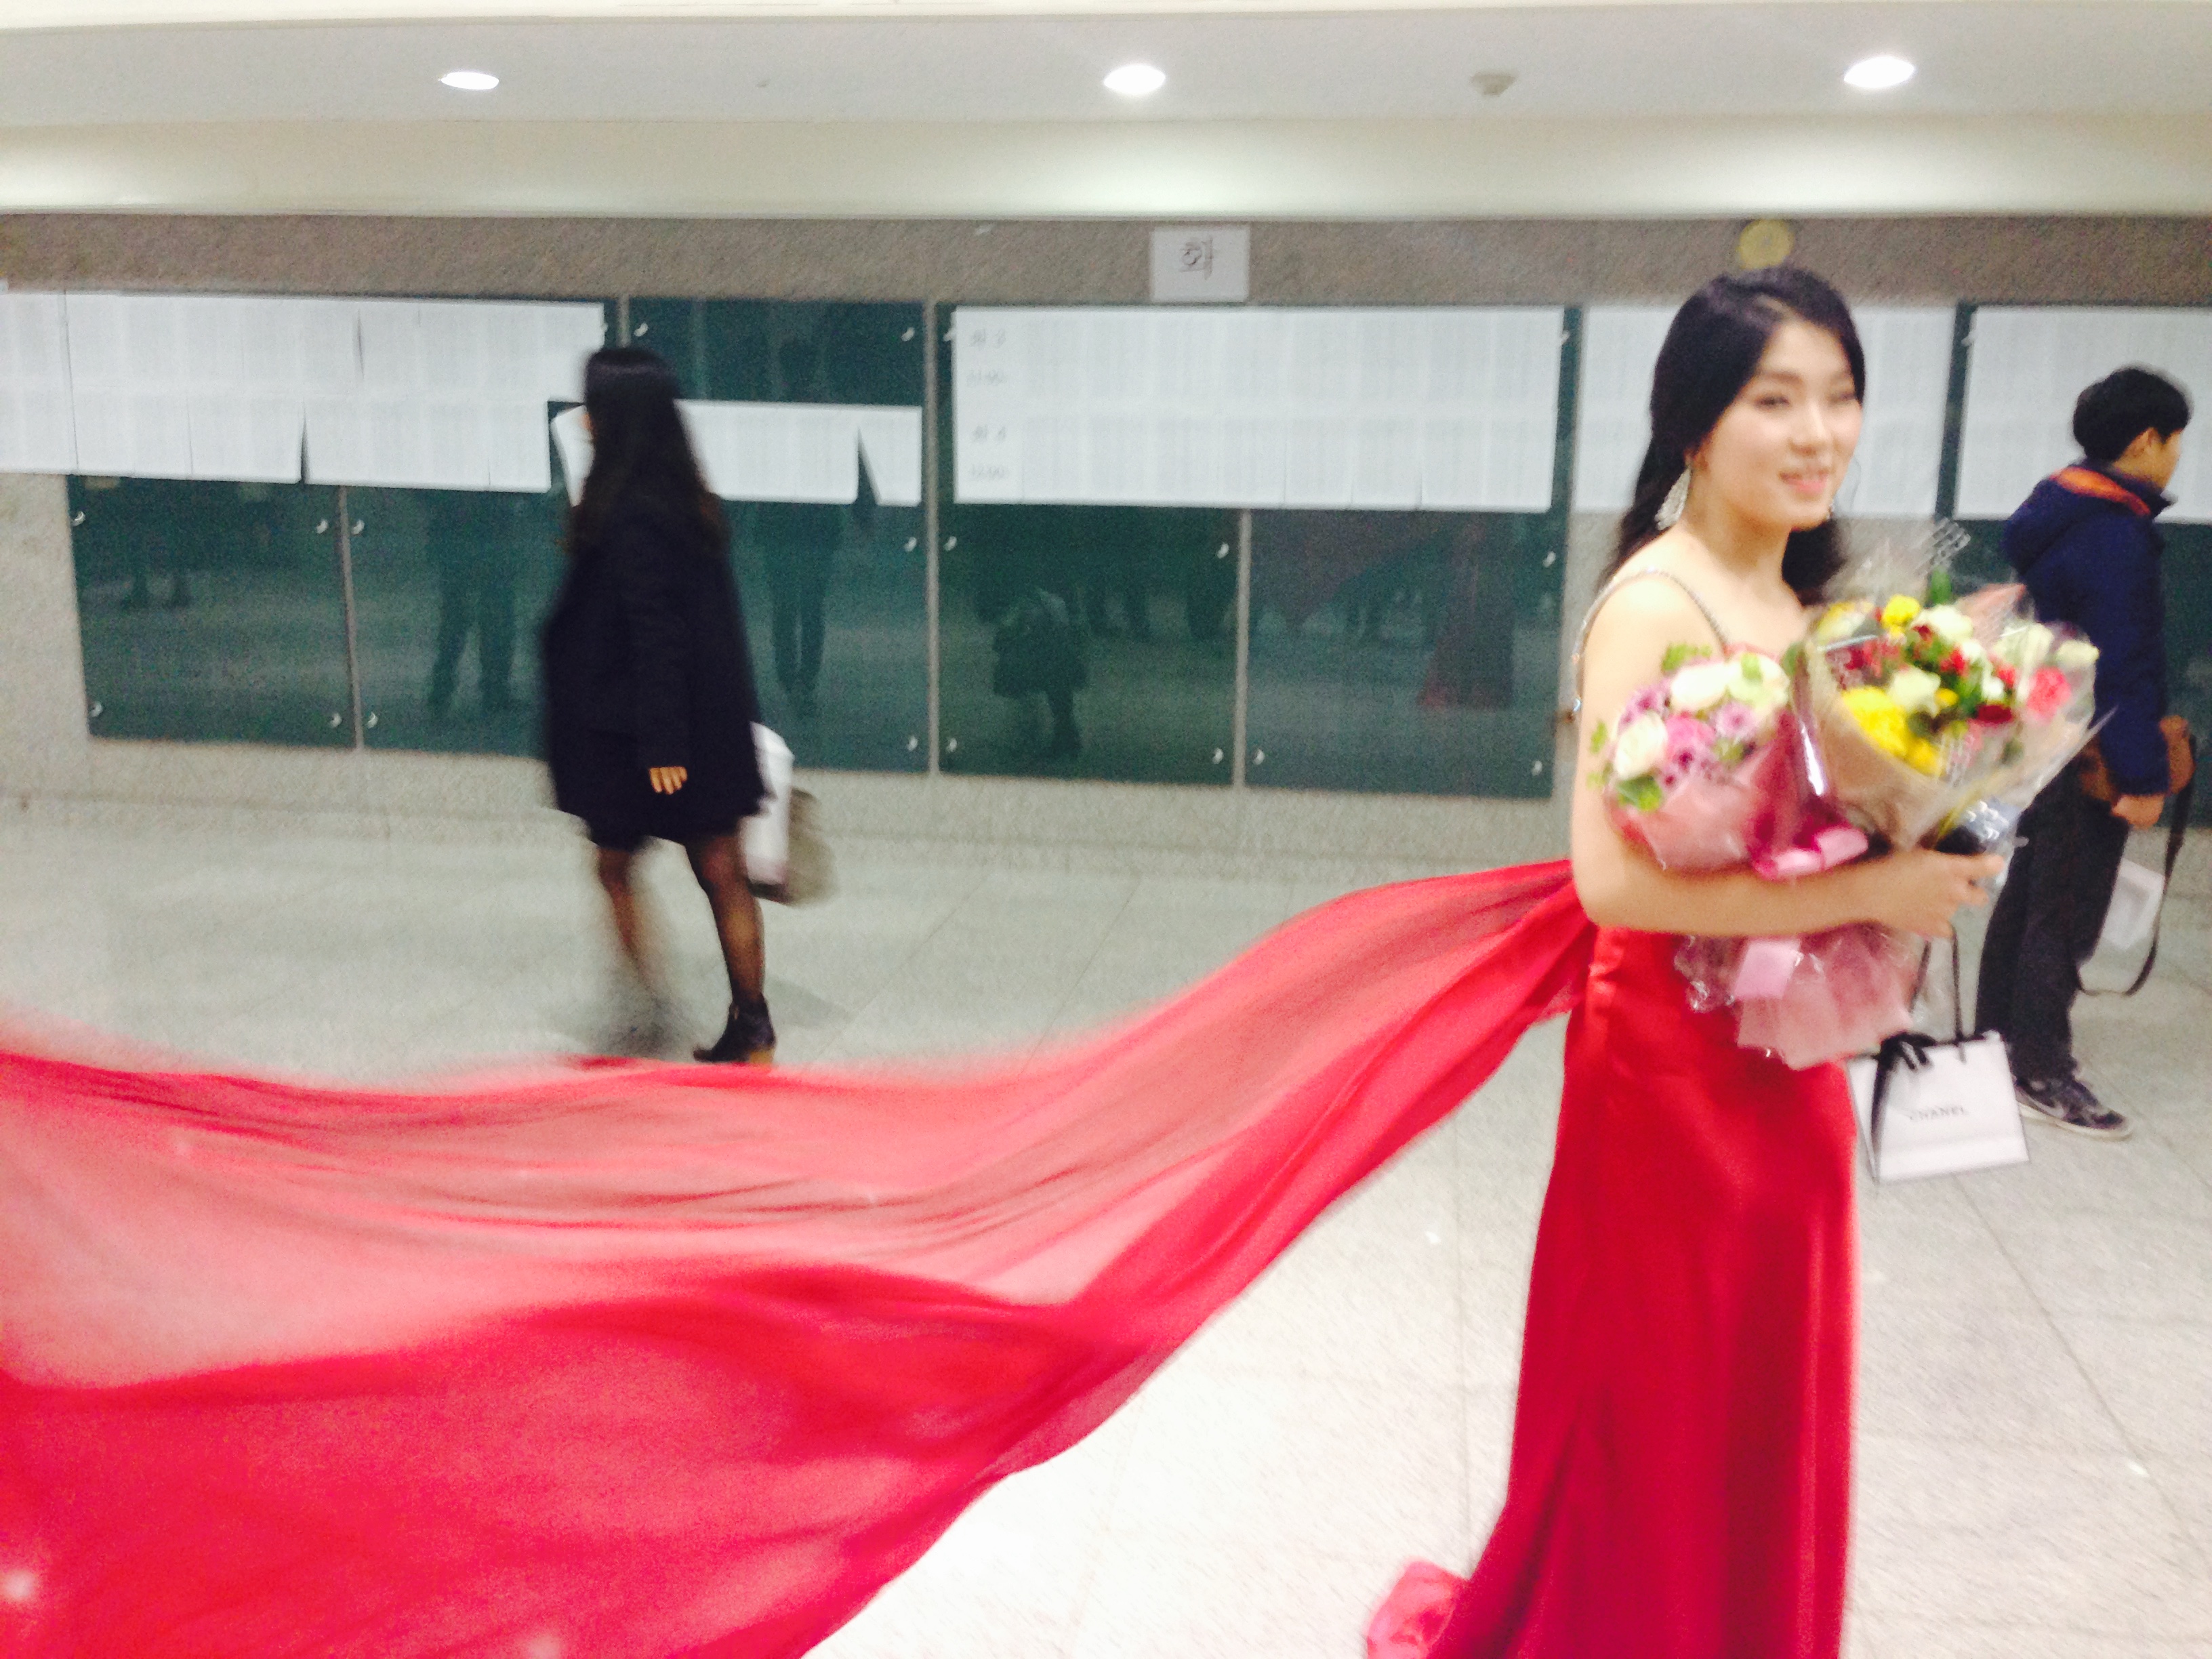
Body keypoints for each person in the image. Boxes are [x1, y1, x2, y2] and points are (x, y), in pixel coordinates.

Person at [1370, 268, 2002, 1659]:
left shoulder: (1806, 596)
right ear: (1695, 425)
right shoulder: (1656, 602)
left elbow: (1797, 826)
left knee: (1760, 1389)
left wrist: (1928, 827)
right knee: (1657, 1399)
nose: (1817, 432)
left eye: (1839, 398)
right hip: (1669, 1075)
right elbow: (1612, 882)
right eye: (1776, 400)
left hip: (1789, 1059)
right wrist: (1872, 883)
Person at [540, 346, 776, 1065]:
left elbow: (656, 633)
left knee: (619, 867)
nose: (583, 421)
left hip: (642, 732)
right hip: (702, 721)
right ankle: (752, 1027)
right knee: (720, 870)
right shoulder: (684, 497)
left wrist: (664, 744)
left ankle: (647, 1017)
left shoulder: (631, 512)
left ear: (615, 418)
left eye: (592, 407)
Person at [1973, 366, 2190, 1139]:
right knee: (2066, 912)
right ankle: (2040, 1067)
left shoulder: (2060, 509)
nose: (2177, 456)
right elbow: (2123, 667)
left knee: (2032, 894)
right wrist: (2143, 777)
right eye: (2175, 441)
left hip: (2045, 734)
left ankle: (1997, 1042)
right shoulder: (2114, 533)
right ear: (2146, 440)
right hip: (2092, 748)